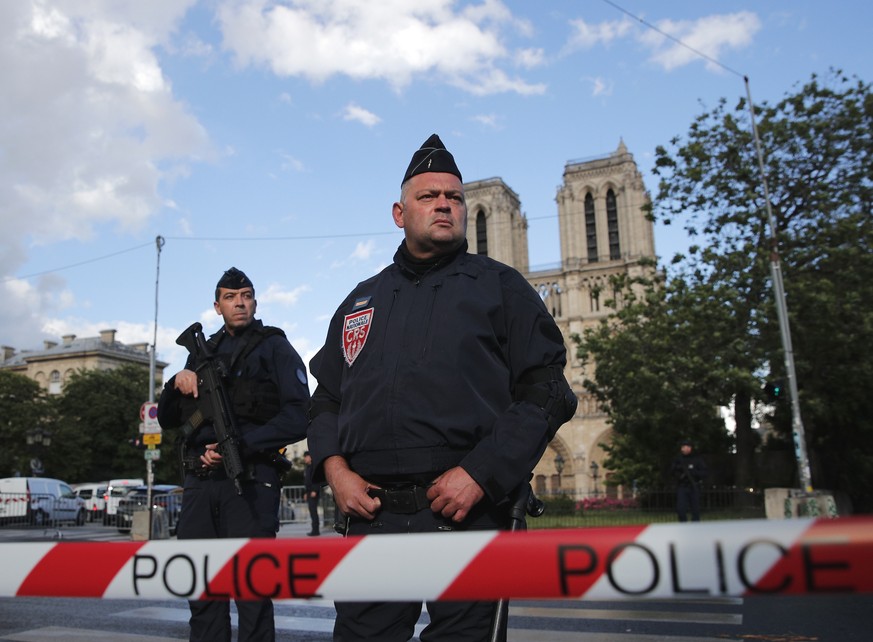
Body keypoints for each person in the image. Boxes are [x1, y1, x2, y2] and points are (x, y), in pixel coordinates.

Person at [307, 134, 577, 642]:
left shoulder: (501, 288)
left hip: (467, 513)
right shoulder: (360, 301)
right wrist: (335, 469)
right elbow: (325, 398)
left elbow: (548, 391)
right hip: (372, 515)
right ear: (399, 212)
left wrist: (481, 471)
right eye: (429, 196)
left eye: (454, 197)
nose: (444, 205)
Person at [157, 267, 310, 642]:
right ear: (217, 305)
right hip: (201, 483)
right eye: (230, 297)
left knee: (252, 591)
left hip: (251, 481)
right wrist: (175, 384)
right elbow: (168, 420)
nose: (239, 303)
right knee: (202, 590)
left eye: (246, 296)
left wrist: (240, 446)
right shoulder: (201, 353)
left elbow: (299, 414)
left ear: (255, 301)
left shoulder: (274, 346)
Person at [671, 439, 707, 522]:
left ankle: (695, 528)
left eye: (688, 447)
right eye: (684, 447)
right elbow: (672, 472)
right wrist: (679, 471)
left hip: (694, 486)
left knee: (695, 510)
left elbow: (705, 472)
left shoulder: (697, 459)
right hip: (682, 486)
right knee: (681, 509)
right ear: (681, 448)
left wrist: (694, 472)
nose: (686, 448)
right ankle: (683, 526)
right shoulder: (678, 459)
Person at [303, 450, 320, 536]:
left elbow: (316, 480)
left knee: (313, 511)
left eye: (305, 457)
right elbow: (307, 481)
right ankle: (314, 529)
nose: (304, 459)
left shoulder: (314, 467)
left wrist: (315, 490)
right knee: (311, 511)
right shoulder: (308, 467)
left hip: (313, 492)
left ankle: (316, 530)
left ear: (310, 457)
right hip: (309, 492)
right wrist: (306, 492)